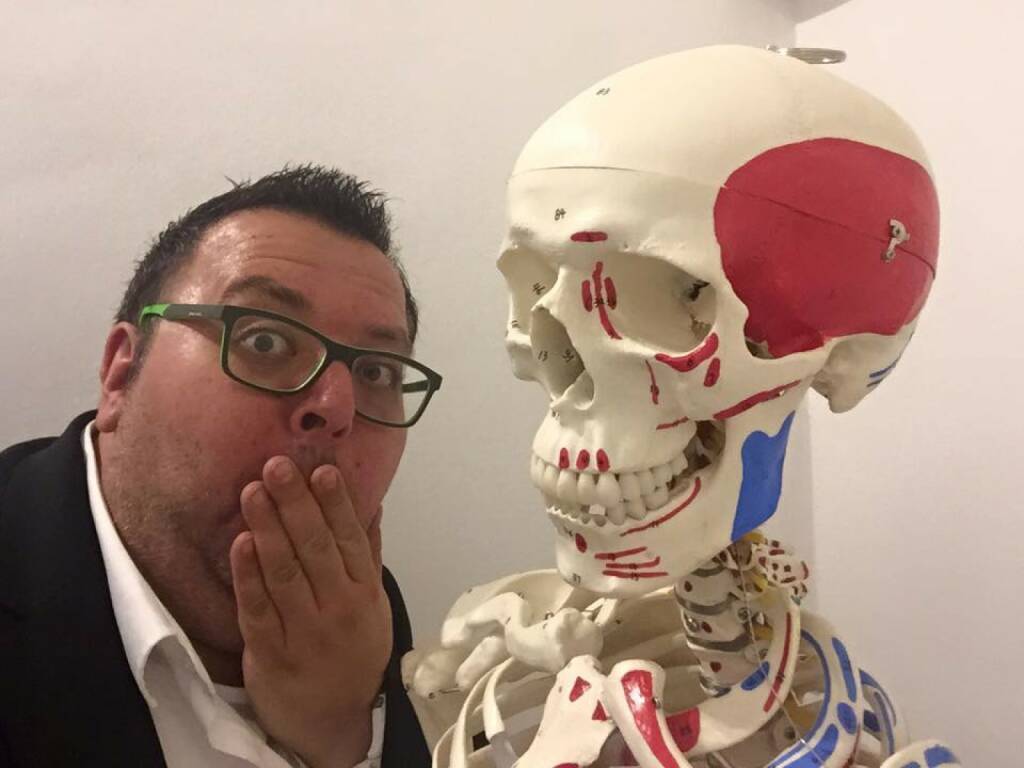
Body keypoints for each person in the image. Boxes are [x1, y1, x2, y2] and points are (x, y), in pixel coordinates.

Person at [0, 166, 439, 767]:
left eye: (376, 371)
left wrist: (341, 735)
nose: (336, 407)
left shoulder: (357, 613)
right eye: (264, 340)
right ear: (121, 372)